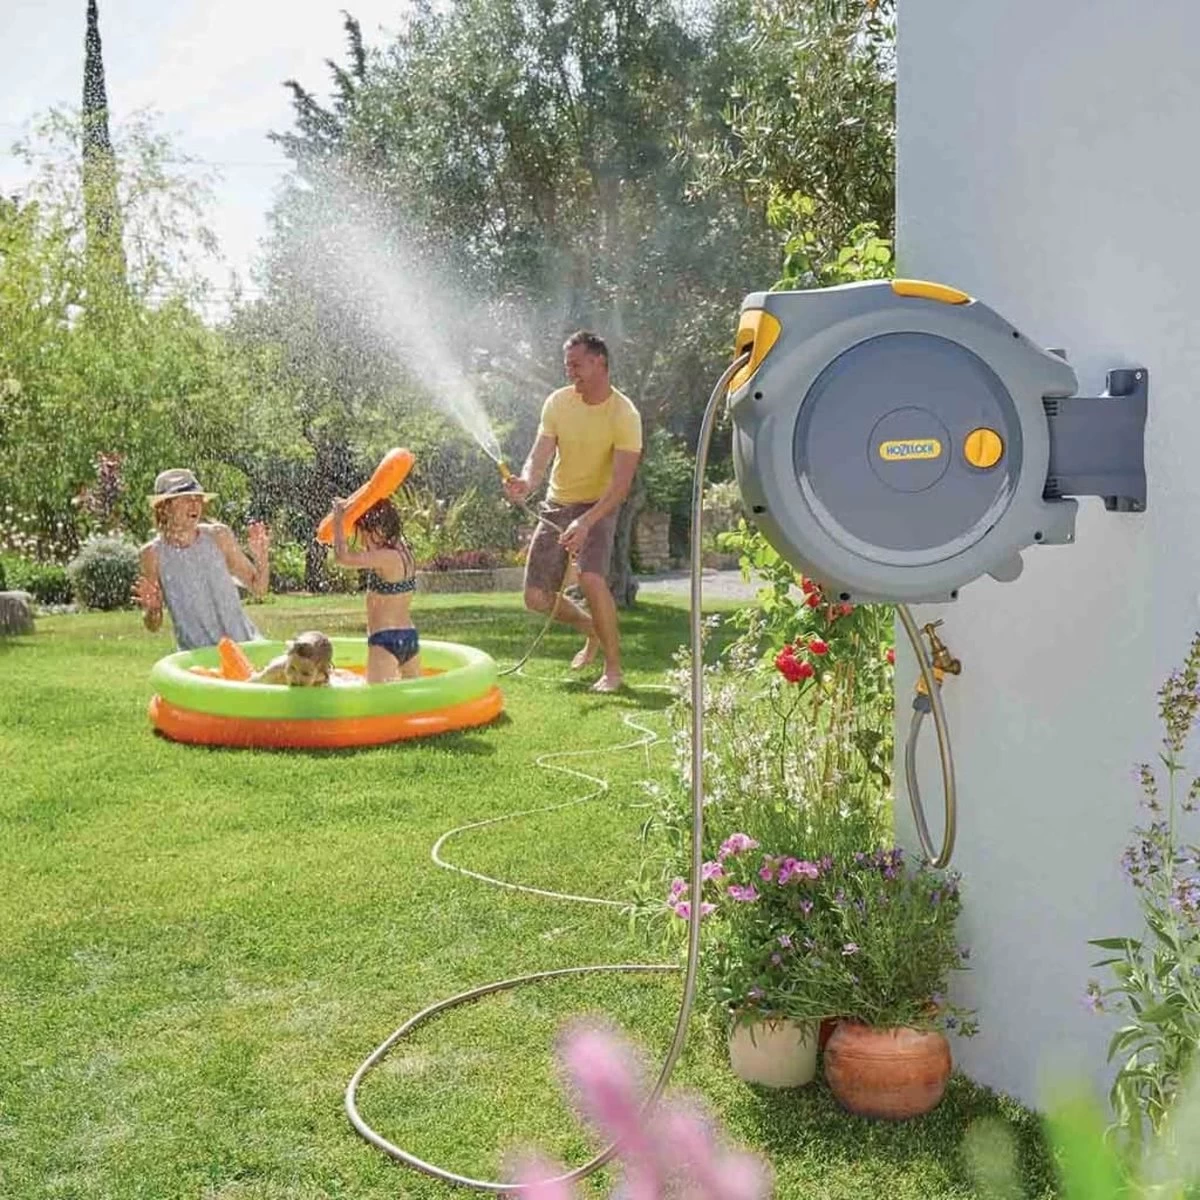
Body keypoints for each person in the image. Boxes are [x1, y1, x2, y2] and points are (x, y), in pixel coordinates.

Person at [503, 330, 642, 693]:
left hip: (600, 504)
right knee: (536, 598)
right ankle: (591, 629)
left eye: (576, 364)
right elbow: (539, 456)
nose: (570, 372)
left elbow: (621, 486)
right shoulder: (558, 403)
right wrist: (526, 482)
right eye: (567, 365)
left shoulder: (624, 414)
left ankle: (613, 670)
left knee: (591, 578)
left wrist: (586, 521)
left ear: (600, 362)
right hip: (558, 503)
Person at [132, 467, 269, 651]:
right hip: (197, 657)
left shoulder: (219, 536)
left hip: (244, 646)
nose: (195, 504)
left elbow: (259, 589)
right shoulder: (152, 554)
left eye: (197, 498)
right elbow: (153, 626)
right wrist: (153, 609)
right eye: (186, 499)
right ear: (164, 507)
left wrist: (261, 558)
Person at [329, 495, 421, 684]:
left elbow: (342, 558)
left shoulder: (387, 557)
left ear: (378, 529)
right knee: (413, 694)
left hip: (385, 639)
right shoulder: (405, 553)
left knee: (376, 697)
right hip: (409, 636)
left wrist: (338, 520)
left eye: (363, 534)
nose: (362, 542)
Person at [249, 630, 362, 687]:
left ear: (320, 673)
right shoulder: (276, 671)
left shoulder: (323, 679)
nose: (296, 677)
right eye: (292, 669)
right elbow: (250, 684)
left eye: (305, 674)